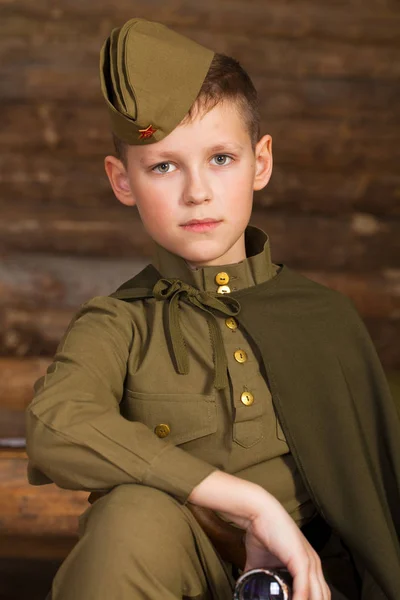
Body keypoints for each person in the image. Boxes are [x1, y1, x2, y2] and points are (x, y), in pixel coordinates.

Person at [25, 18, 400, 600]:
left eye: (221, 158)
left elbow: (376, 507)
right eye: (164, 166)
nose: (196, 191)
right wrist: (247, 503)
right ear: (122, 181)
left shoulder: (325, 318)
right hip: (168, 569)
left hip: (314, 579)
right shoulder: (120, 322)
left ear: (261, 162)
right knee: (131, 518)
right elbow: (56, 424)